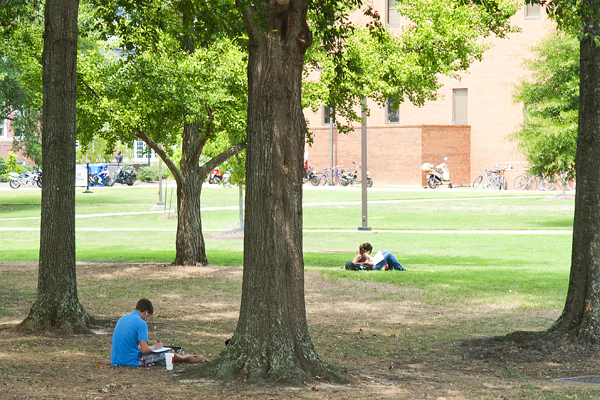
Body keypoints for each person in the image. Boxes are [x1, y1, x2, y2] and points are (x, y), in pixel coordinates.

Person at [111, 299, 202, 367]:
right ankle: (185, 358)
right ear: (146, 313)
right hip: (130, 361)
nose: (147, 319)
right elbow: (144, 350)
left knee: (164, 359)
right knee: (169, 352)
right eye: (148, 317)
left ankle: (179, 357)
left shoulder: (123, 318)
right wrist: (155, 346)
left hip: (116, 359)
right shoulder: (141, 323)